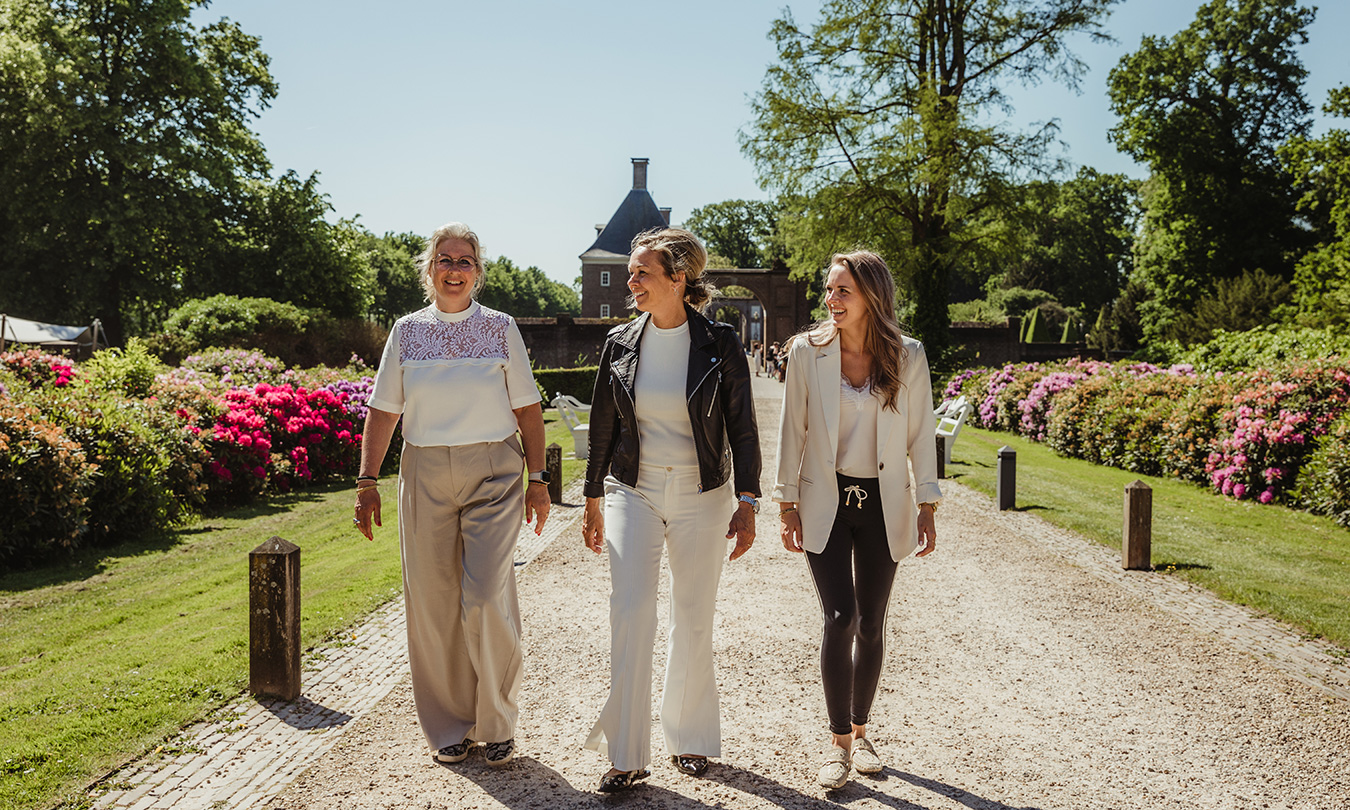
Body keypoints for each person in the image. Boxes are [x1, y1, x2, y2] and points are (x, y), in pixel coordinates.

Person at [353, 221, 550, 768]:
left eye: (465, 261)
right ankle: (448, 727)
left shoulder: (501, 327)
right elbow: (384, 410)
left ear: (478, 272)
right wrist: (367, 482)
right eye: (445, 259)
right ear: (430, 269)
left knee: (485, 594)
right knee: (434, 605)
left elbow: (528, 409)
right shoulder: (406, 331)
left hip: (493, 470)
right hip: (424, 473)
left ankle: (497, 719)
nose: (455, 270)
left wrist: (538, 479)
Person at [580, 227, 762, 793]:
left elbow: (743, 426)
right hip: (632, 490)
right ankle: (627, 755)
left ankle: (690, 738)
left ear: (678, 278)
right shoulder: (620, 343)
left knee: (693, 615)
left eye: (642, 273)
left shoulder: (720, 342)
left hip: (702, 494)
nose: (631, 281)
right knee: (630, 612)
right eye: (632, 273)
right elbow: (604, 426)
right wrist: (590, 497)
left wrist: (748, 500)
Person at [772, 250, 940, 789]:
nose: (831, 298)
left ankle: (863, 730)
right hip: (827, 500)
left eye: (842, 289)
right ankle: (839, 742)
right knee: (839, 617)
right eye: (829, 289)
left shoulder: (908, 355)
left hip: (885, 502)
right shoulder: (807, 352)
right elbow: (790, 430)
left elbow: (920, 433)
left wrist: (928, 504)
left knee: (871, 621)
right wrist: (786, 501)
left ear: (871, 295)